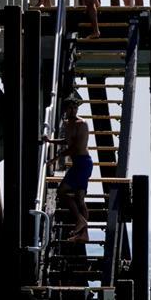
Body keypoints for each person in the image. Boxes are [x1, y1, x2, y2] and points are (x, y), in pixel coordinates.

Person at [44, 99, 94, 243]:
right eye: (70, 108)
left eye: (75, 108)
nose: (72, 110)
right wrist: (51, 141)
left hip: (83, 163)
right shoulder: (68, 124)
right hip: (79, 164)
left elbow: (76, 147)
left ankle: (80, 220)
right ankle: (84, 234)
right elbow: (67, 141)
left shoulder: (82, 124)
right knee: (79, 198)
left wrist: (56, 158)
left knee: (62, 192)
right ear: (65, 109)